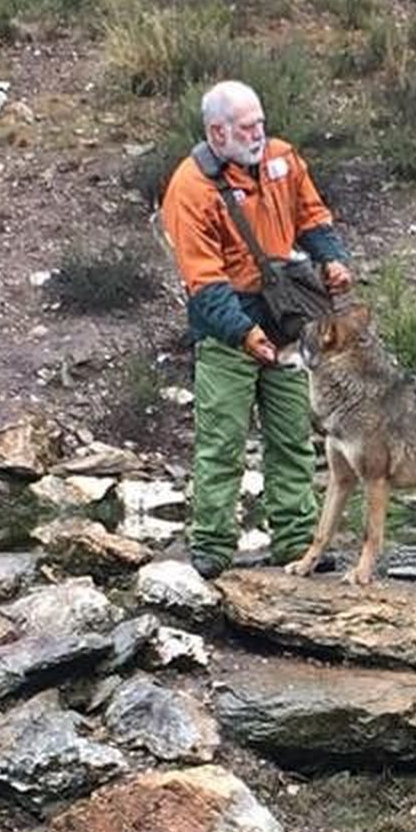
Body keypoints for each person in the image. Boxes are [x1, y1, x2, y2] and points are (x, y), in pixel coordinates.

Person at [160, 80, 354, 579]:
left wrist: (332, 260)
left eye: (261, 124)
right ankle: (210, 548)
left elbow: (312, 218)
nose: (259, 135)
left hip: (287, 322)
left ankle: (295, 542)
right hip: (227, 330)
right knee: (221, 442)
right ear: (216, 131)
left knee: (292, 437)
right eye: (248, 128)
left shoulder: (284, 159)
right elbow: (203, 277)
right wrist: (244, 333)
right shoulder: (191, 188)